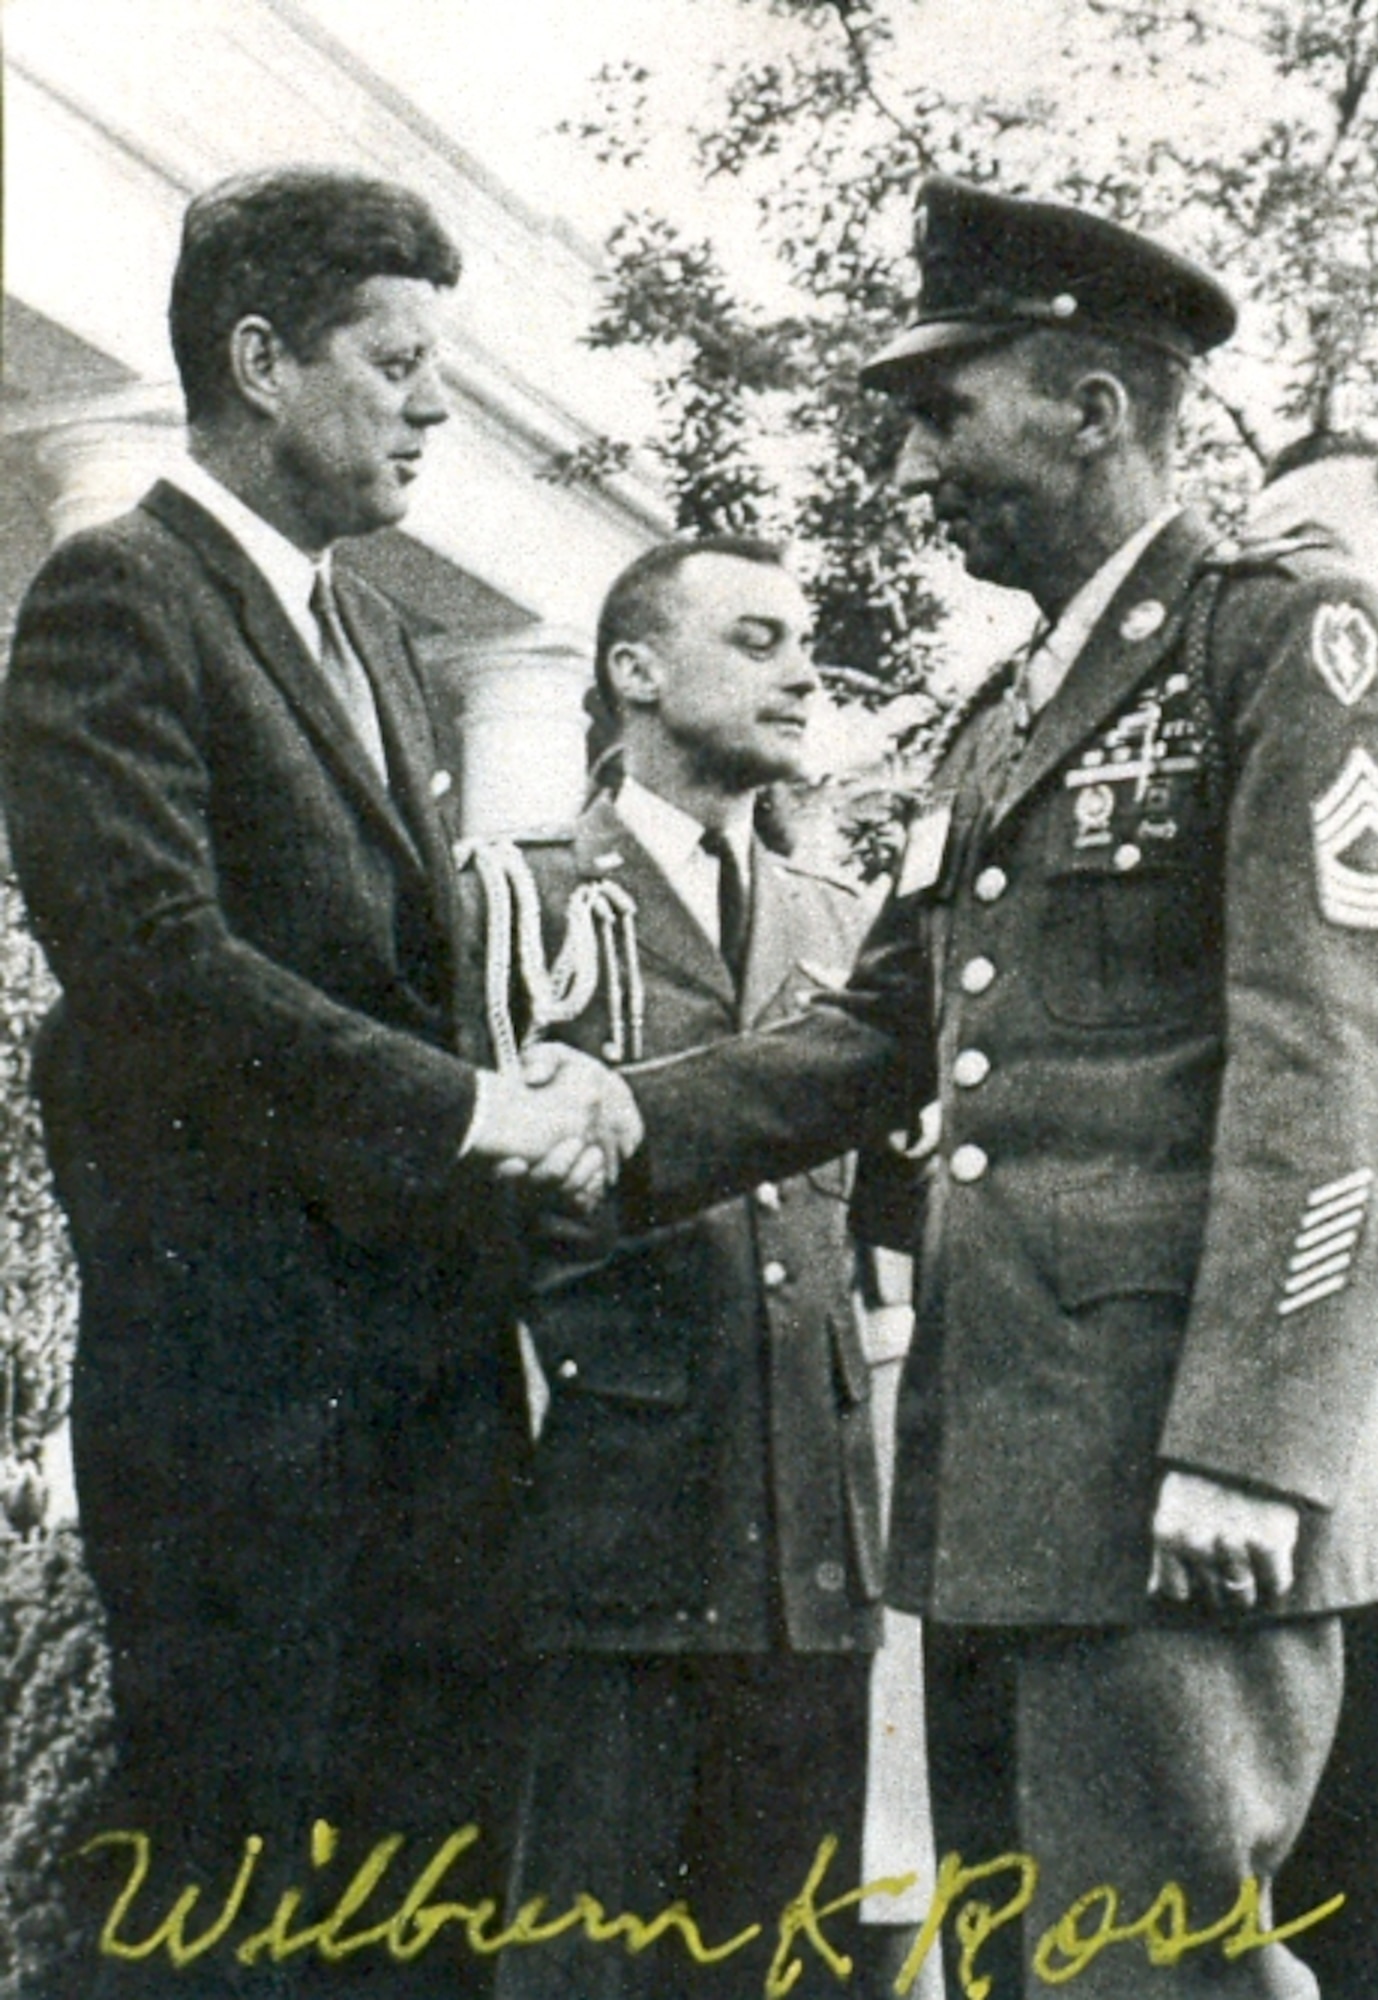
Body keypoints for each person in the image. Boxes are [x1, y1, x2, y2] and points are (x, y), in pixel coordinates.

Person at [619, 180, 1378, 1999]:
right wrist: (623, 1123)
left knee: (1159, 1979)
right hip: (1002, 1500)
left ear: (1095, 404)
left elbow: (1345, 1069)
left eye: (941, 413)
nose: (911, 478)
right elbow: (879, 1032)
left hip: (1176, 1492)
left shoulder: (1288, 640)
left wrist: (1250, 1444)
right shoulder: (1000, 722)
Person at [1, 166, 638, 1999]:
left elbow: (385, 982)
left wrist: (518, 1077)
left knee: (425, 1896)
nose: (435, 403)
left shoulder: (370, 635)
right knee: (247, 1899)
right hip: (241, 1406)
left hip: (419, 1393)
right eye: (398, 359)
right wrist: (469, 1114)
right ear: (262, 359)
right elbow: (157, 969)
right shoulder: (119, 594)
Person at [476, 536, 892, 2000]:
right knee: (582, 1970)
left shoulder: (847, 928)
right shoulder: (517, 903)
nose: (802, 672)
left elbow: (889, 1227)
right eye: (759, 639)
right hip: (608, 1546)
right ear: (634, 672)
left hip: (813, 1561)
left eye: (809, 643)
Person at [1246, 430, 1378, 2000]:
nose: (1280, 575)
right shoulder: (1277, 775)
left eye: (1314, 538)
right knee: (1342, 1803)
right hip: (1355, 1366)